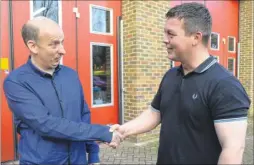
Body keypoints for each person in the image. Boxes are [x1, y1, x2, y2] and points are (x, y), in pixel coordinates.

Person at [111, 2, 251, 165]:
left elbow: (233, 150)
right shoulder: (171, 76)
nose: (164, 40)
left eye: (171, 34)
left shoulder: (225, 85)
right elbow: (154, 113)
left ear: (195, 38)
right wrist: (123, 131)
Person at [3, 16, 122, 165]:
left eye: (62, 42)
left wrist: (93, 155)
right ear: (33, 46)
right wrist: (103, 132)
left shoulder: (70, 75)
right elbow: (45, 124)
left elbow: (83, 115)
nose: (63, 50)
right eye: (54, 44)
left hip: (78, 161)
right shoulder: (16, 82)